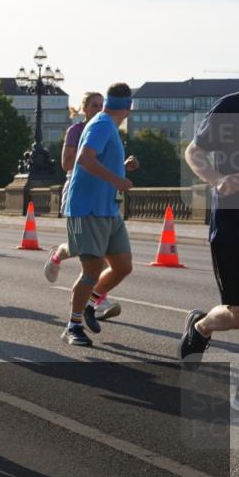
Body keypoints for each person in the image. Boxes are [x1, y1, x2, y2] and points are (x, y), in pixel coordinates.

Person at [178, 87, 239, 414]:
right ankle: (201, 326)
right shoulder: (231, 106)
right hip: (235, 226)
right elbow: (194, 151)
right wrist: (217, 178)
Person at [60, 83, 140, 347]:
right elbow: (83, 158)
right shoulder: (102, 125)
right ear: (128, 108)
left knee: (122, 266)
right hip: (87, 209)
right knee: (92, 270)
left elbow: (97, 160)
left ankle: (90, 304)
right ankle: (72, 326)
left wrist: (122, 167)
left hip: (108, 209)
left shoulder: (107, 126)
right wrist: (118, 179)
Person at [44, 92, 123, 319]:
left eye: (102, 105)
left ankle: (96, 300)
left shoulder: (108, 130)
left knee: (96, 253)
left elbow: (110, 166)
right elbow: (67, 163)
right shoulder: (76, 131)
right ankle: (59, 255)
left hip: (101, 199)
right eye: (94, 105)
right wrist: (89, 153)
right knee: (84, 250)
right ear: (84, 109)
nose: (99, 109)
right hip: (77, 197)